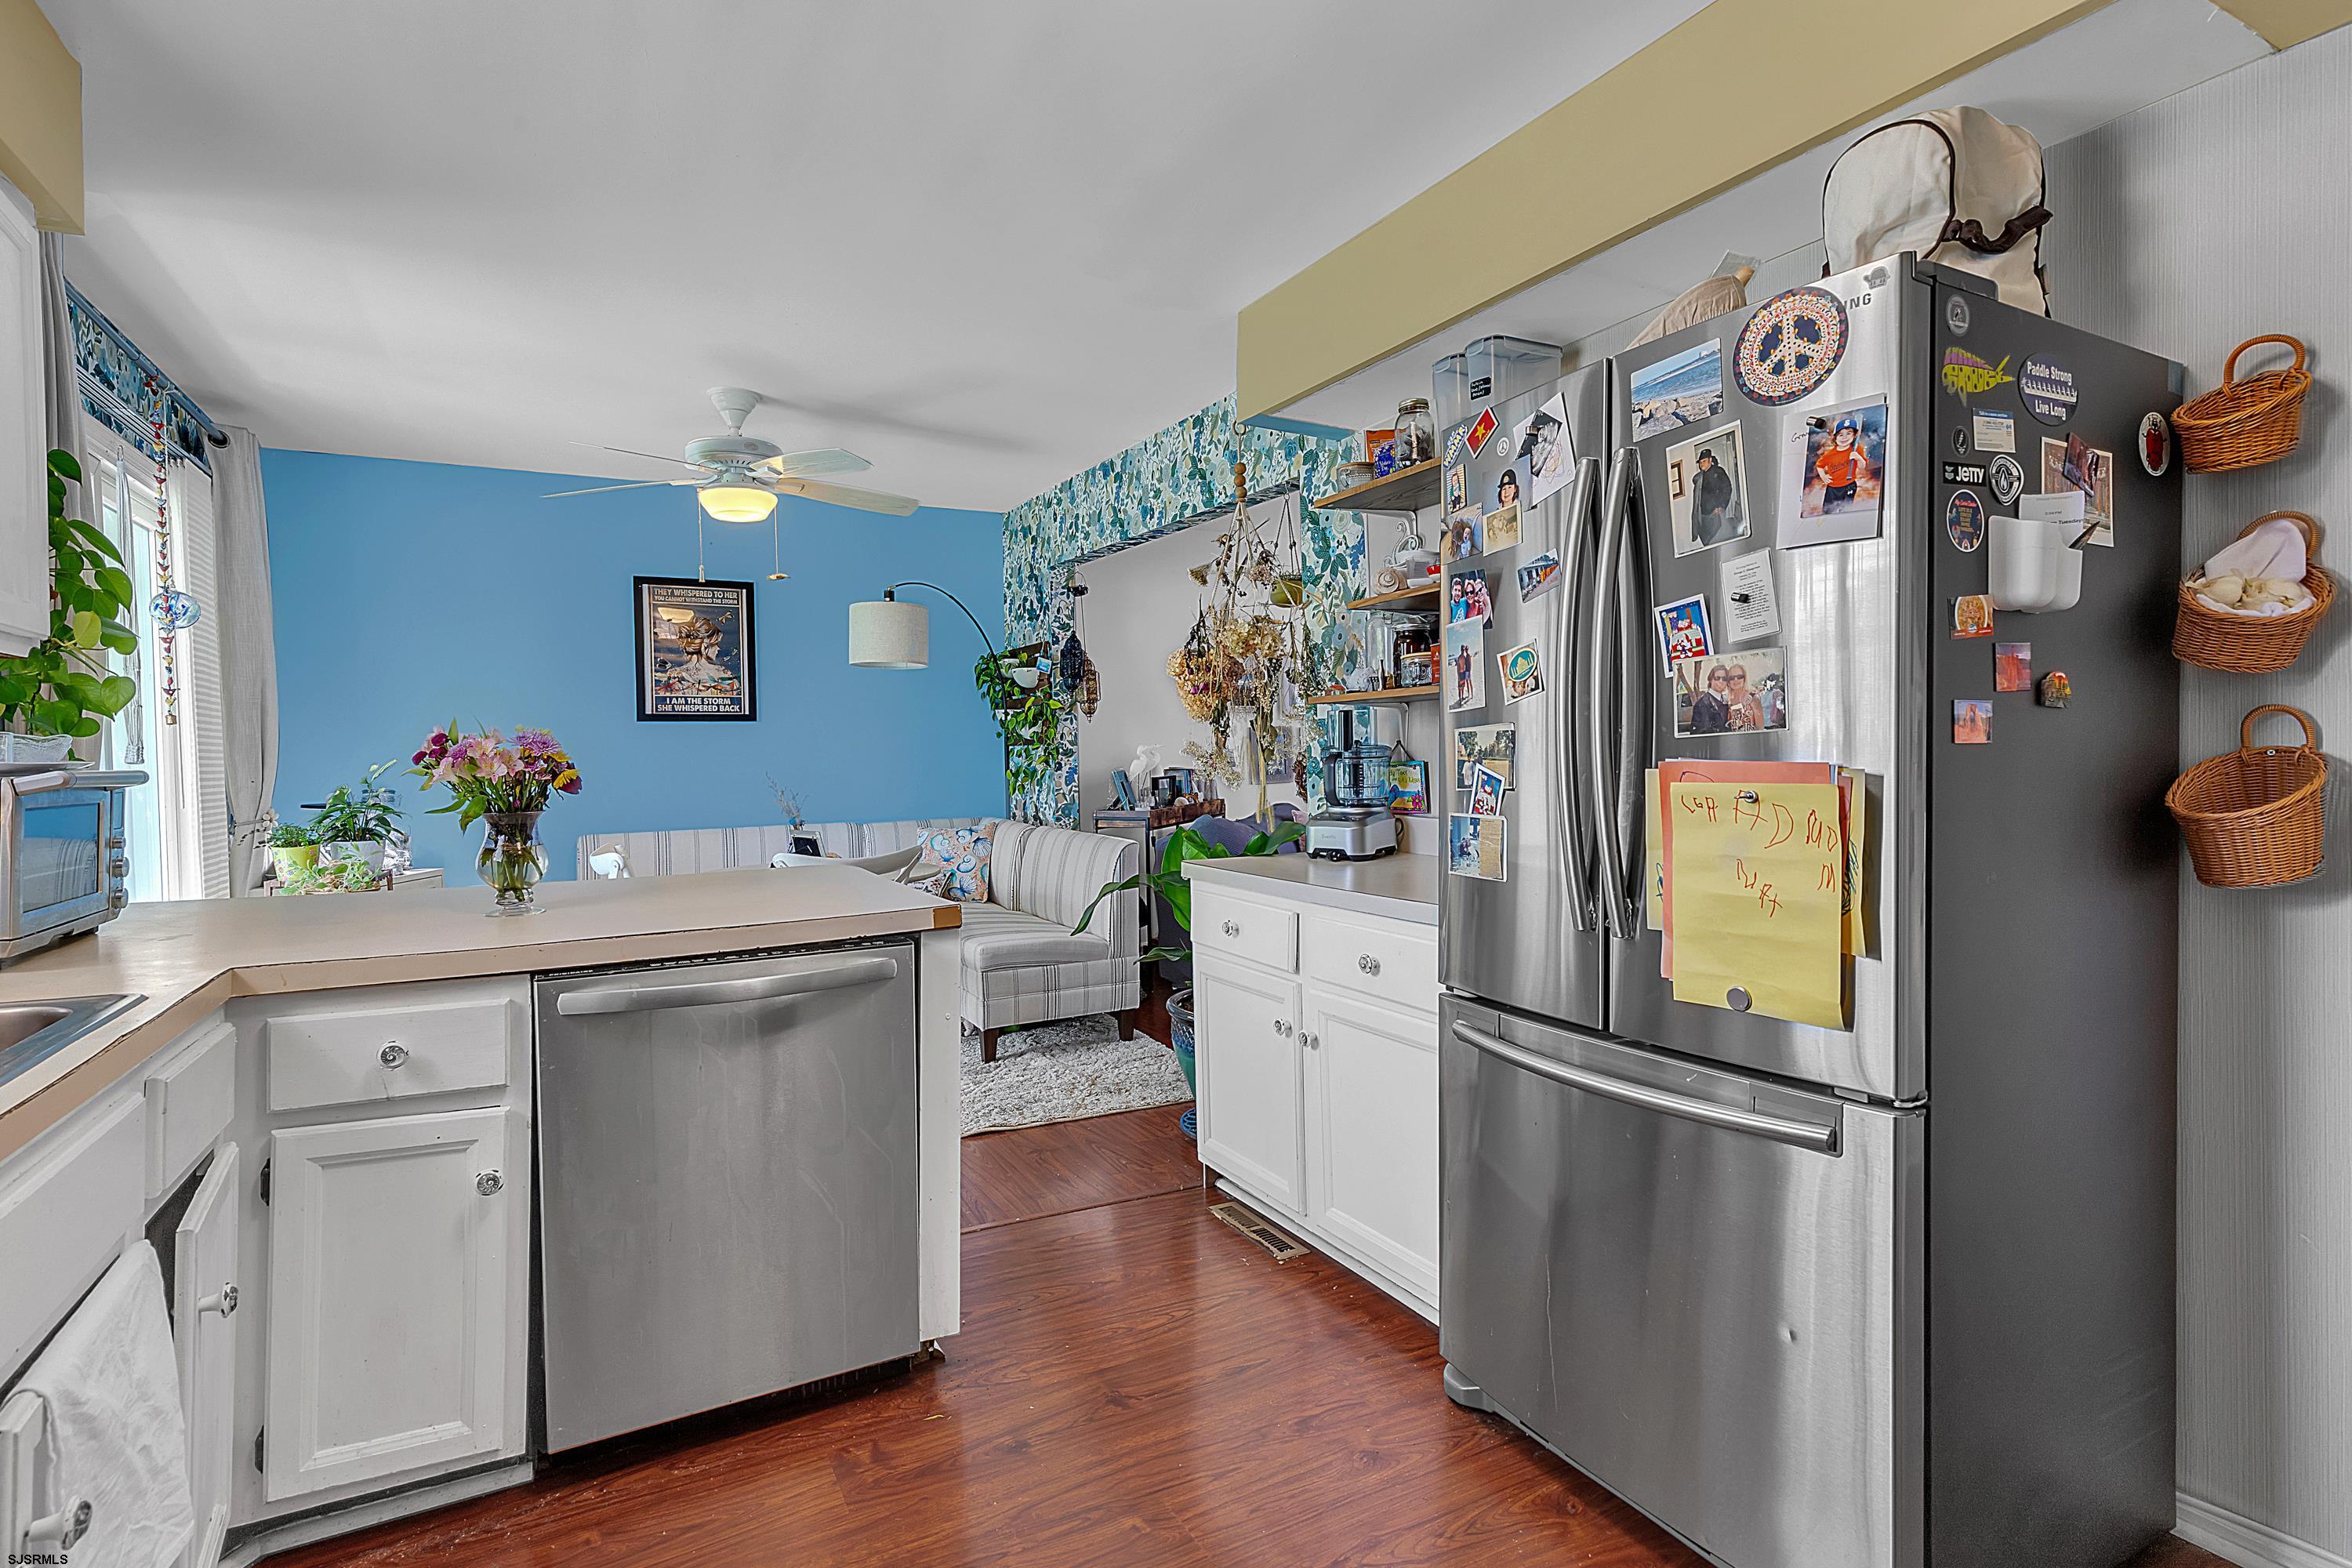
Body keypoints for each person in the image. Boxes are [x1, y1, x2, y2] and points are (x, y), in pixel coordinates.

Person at [1813, 416, 1871, 511]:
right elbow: (1820, 465)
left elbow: (1862, 467)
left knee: (1845, 510)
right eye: (1841, 435)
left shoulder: (1857, 449)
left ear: (1854, 436)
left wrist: (1858, 458)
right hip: (1832, 488)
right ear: (1835, 438)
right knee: (1828, 511)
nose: (1845, 437)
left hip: (1849, 485)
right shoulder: (1831, 454)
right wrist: (1823, 476)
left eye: (1849, 433)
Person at [1690, 446, 1737, 547]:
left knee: (1721, 540)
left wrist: (1722, 506)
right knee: (1708, 543)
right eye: (1700, 462)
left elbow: (1727, 489)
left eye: (1704, 461)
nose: (1701, 464)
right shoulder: (1700, 477)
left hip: (1716, 513)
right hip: (1704, 515)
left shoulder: (1719, 471)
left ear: (1710, 460)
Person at [1688, 662, 1732, 734]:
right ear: (1711, 679)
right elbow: (1700, 733)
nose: (1721, 681)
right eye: (1717, 678)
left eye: (1724, 679)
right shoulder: (1702, 704)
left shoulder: (1727, 701)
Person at [1722, 663, 1766, 731]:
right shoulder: (1726, 700)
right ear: (1728, 682)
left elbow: (1760, 728)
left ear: (1744, 678)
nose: (1736, 680)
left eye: (1739, 676)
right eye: (1732, 678)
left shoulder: (1753, 698)